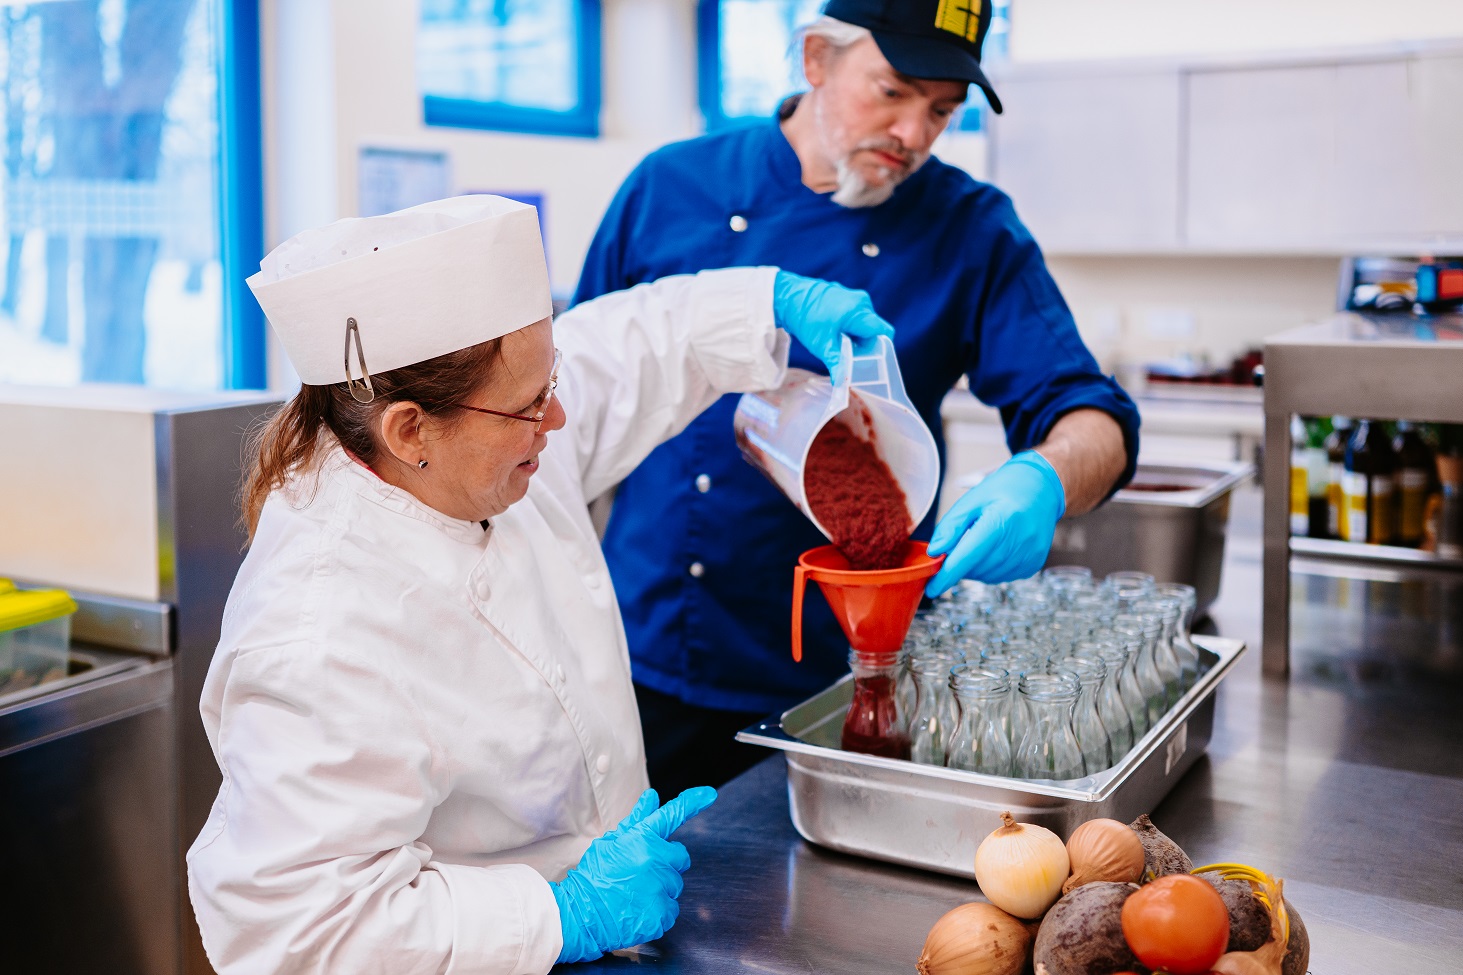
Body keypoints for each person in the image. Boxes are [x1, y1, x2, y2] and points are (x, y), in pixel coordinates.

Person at [185, 195, 894, 974]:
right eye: (529, 406)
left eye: (548, 384)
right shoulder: (317, 629)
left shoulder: (482, 444)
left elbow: (625, 349)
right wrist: (557, 914)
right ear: (410, 430)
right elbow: (299, 932)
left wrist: (769, 302)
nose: (556, 418)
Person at [574, 0, 1142, 795]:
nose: (914, 133)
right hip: (643, 660)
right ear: (815, 60)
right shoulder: (670, 187)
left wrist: (1044, 478)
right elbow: (565, 391)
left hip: (846, 678)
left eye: (942, 110)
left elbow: (1089, 411)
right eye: (893, 91)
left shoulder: (969, 227)